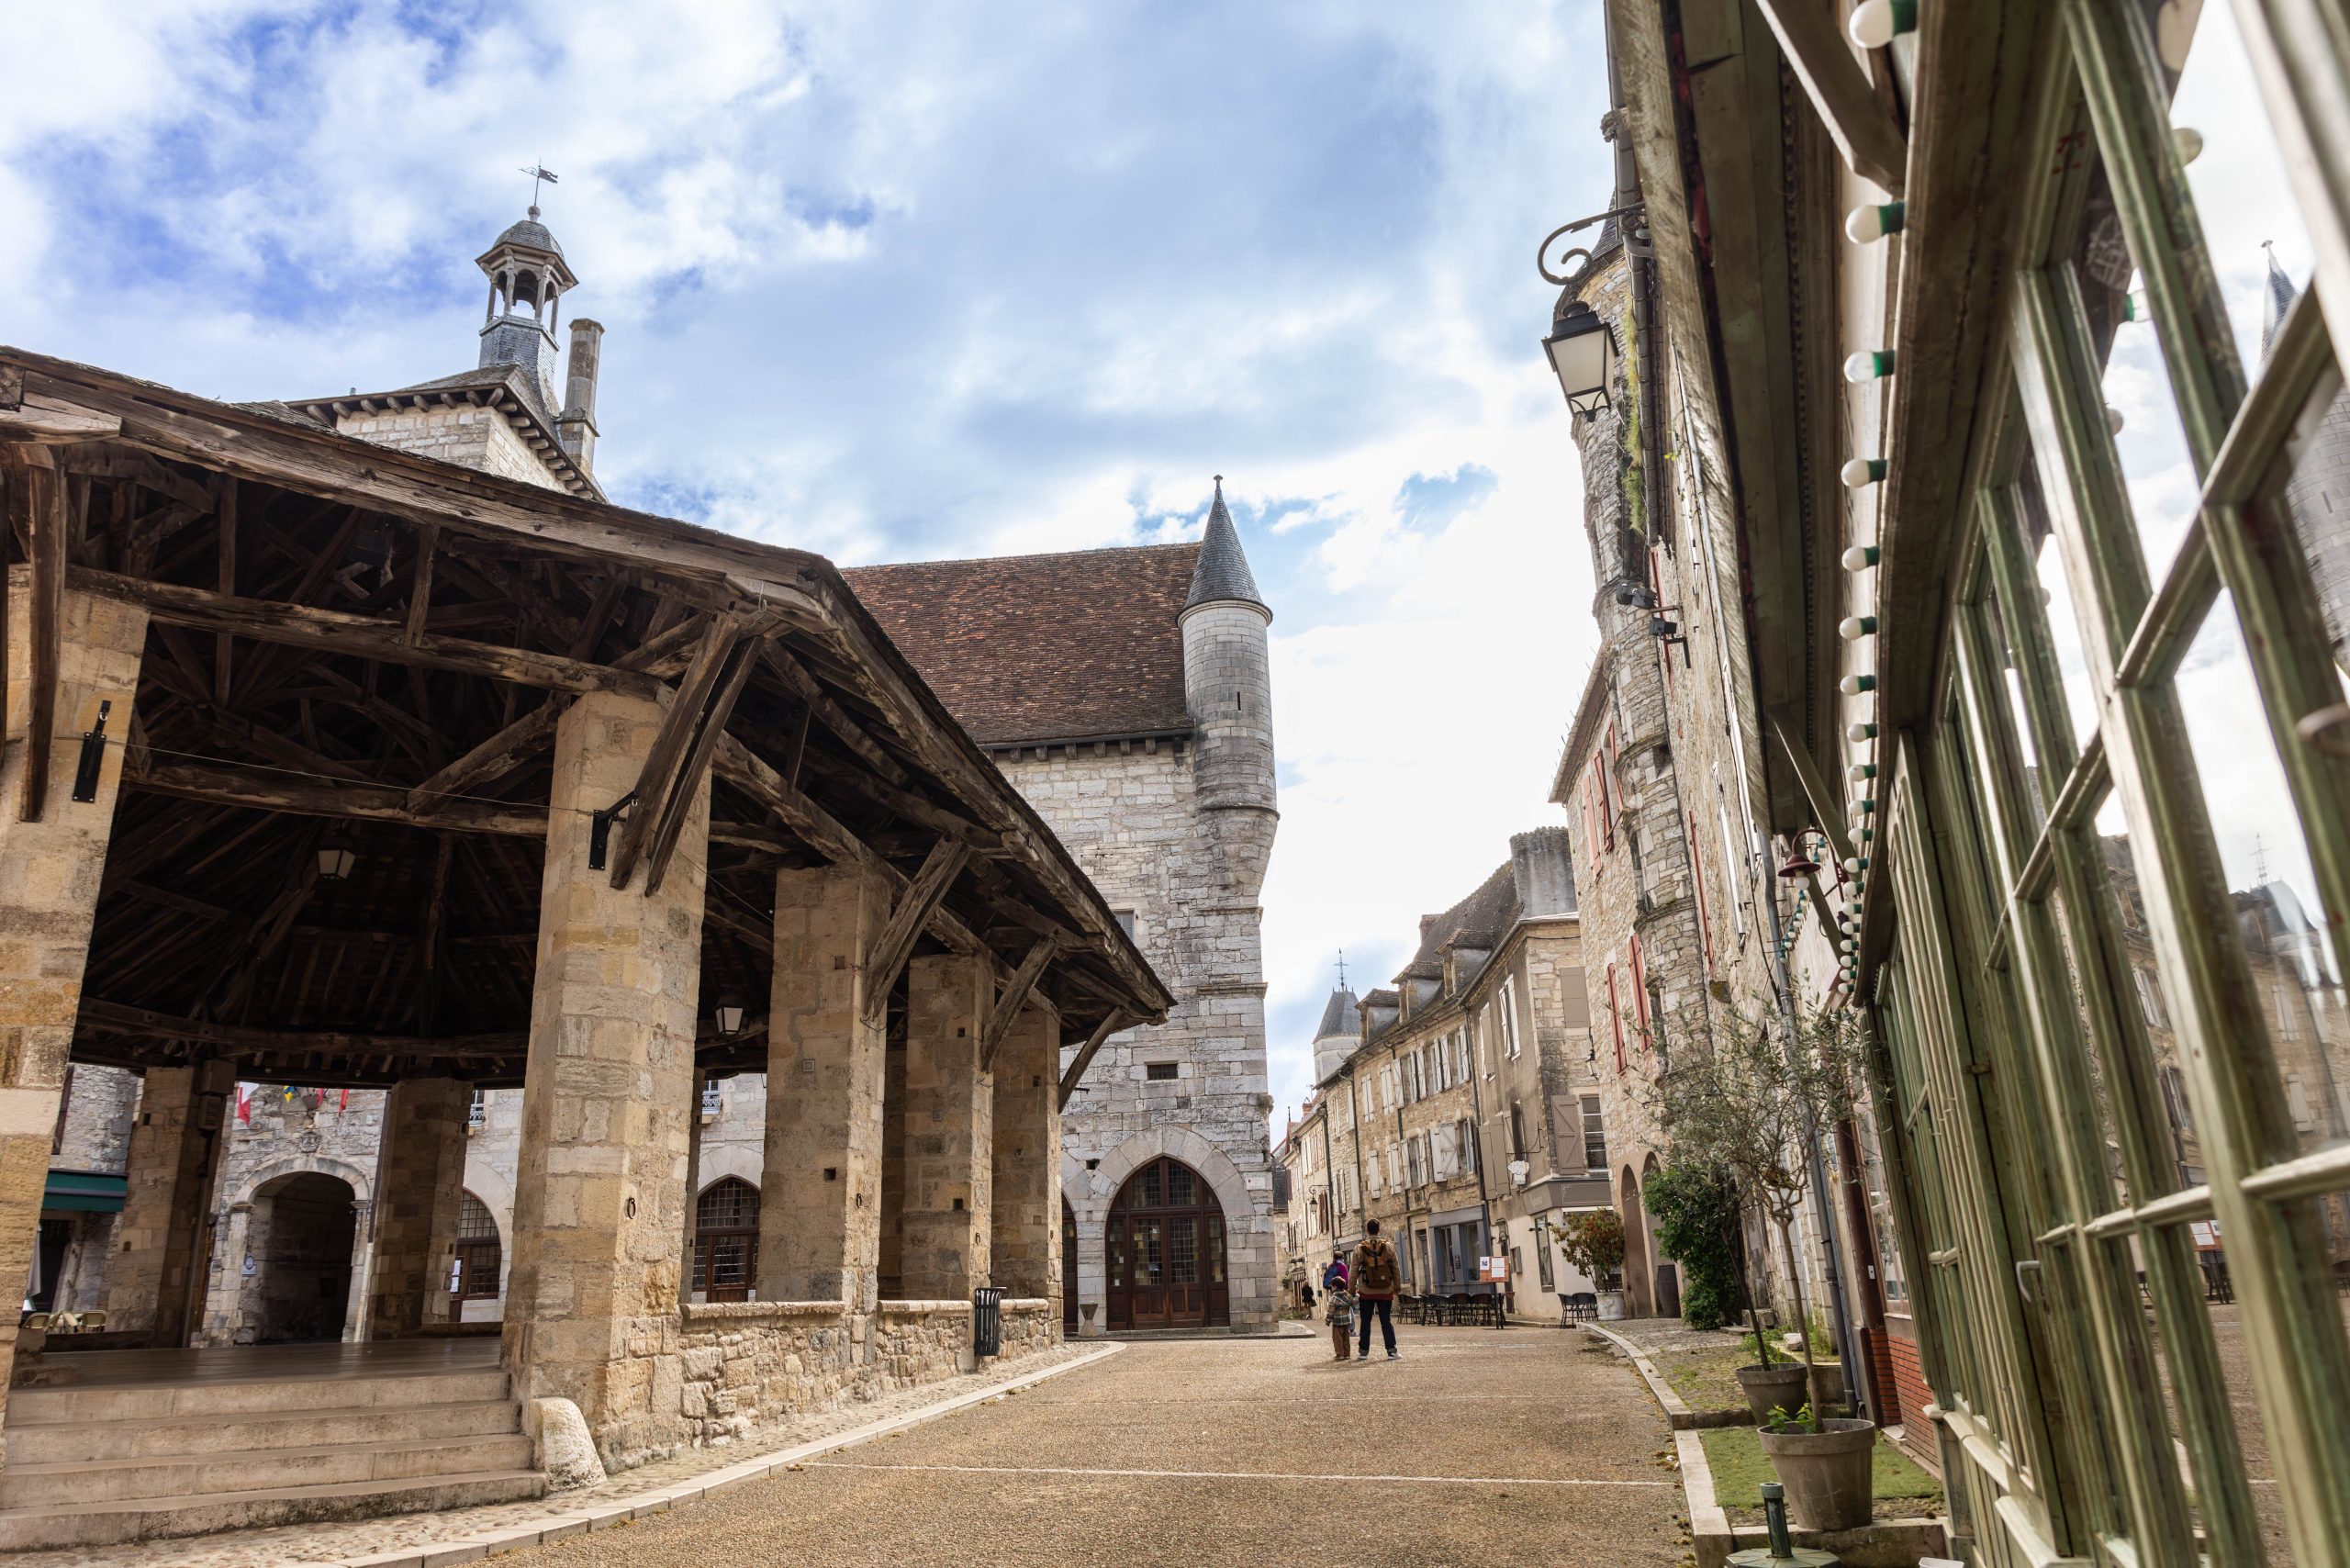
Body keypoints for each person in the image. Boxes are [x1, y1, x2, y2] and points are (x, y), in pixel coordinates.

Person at [1351, 1219, 1401, 1361]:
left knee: (1365, 1321)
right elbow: (1395, 1268)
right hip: (1385, 1289)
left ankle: (1363, 1352)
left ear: (1367, 1230)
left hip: (1366, 1291)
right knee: (1386, 1321)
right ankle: (1391, 1351)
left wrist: (1351, 1289)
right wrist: (1396, 1286)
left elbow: (1353, 1271)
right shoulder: (1388, 1246)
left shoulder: (1359, 1248)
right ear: (1379, 1230)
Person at [1323, 1271, 1354, 1361]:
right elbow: (1353, 1302)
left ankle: (1340, 1354)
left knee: (1337, 1339)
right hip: (1347, 1320)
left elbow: (1330, 1311)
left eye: (1332, 1286)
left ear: (1335, 1287)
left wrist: (1328, 1321)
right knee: (1346, 1338)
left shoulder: (1333, 1298)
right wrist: (1357, 1295)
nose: (1331, 1288)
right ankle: (1347, 1354)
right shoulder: (1348, 1295)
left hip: (1337, 1322)